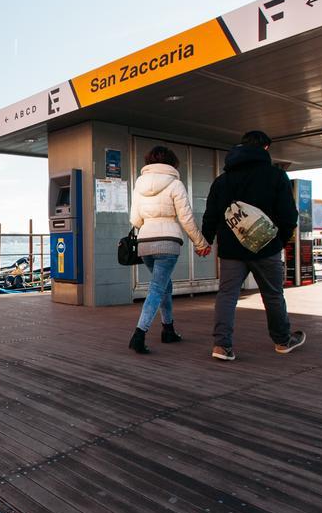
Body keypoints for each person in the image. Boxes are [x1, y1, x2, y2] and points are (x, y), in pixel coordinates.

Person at [201, 130, 306, 361]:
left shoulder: (222, 181)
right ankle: (282, 340)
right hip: (266, 247)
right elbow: (289, 214)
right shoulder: (276, 176)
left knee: (227, 295)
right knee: (273, 294)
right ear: (265, 148)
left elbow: (210, 216)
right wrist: (279, 240)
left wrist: (206, 240)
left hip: (230, 251)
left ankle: (222, 346)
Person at [128, 145, 211, 354]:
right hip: (168, 243)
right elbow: (186, 219)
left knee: (164, 285)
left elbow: (135, 219)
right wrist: (200, 243)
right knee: (157, 288)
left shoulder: (139, 185)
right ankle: (139, 333)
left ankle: (168, 330)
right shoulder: (175, 184)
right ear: (173, 163)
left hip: (145, 243)